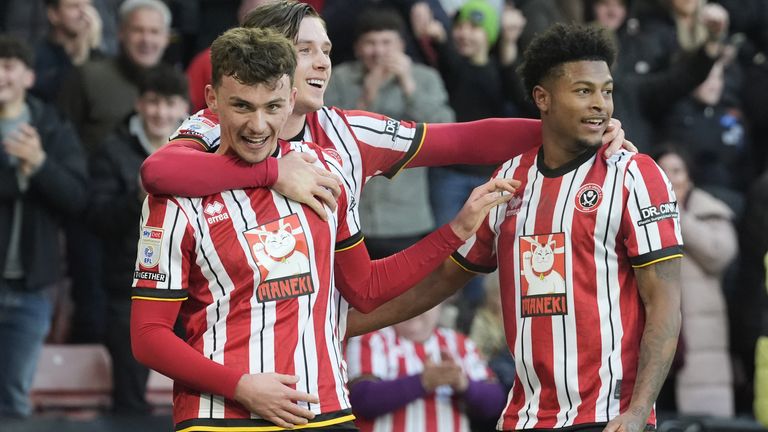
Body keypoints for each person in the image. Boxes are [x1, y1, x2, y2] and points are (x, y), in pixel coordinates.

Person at [130, 26, 516, 431]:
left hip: (326, 410)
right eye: (242, 106)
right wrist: (241, 386)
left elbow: (366, 289)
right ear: (213, 100)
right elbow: (148, 335)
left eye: (273, 107)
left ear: (292, 100)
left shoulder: (324, 171)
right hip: (220, 416)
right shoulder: (176, 196)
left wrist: (454, 231)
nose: (258, 125)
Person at [347, 23, 684, 432]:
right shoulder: (511, 177)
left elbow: (664, 304)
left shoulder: (635, 174)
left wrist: (637, 412)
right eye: (583, 91)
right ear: (542, 98)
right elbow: (441, 279)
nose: (601, 104)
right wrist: (338, 325)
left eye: (607, 91)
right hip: (523, 418)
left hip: (606, 417)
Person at [139, 0, 630, 222]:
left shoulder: (346, 131)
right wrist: (272, 172)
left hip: (316, 364)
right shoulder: (220, 119)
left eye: (327, 50)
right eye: (307, 50)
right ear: (271, 56)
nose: (323, 63)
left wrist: (576, 126)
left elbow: (464, 139)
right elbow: (158, 169)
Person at [57, 0, 171, 343]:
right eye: (138, 30)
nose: (146, 39)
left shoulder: (171, 84)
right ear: (120, 34)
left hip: (149, 224)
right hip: (92, 214)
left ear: (167, 38)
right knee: (93, 316)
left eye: (155, 32)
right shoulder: (89, 76)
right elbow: (63, 135)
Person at [87, 64, 189, 414]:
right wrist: (136, 197)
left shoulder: (205, 150)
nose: (161, 112)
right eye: (153, 101)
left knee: (201, 390)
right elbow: (96, 219)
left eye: (170, 103)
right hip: (129, 289)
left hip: (195, 287)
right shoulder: (112, 149)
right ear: (139, 103)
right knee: (130, 400)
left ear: (184, 107)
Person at [0, 35, 88, 418]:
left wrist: (38, 164)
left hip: (33, 287)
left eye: (7, 65)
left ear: (29, 77)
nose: (0, 74)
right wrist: (15, 172)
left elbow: (76, 197)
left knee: (14, 400)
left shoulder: (52, 127)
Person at [324, 7, 454, 258]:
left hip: (406, 215)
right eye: (370, 43)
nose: (379, 51)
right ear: (358, 47)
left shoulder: (425, 77)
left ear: (402, 45)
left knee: (407, 294)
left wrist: (409, 86)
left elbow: (445, 128)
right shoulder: (339, 78)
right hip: (352, 214)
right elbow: (327, 133)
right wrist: (367, 97)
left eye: (386, 42)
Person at [653, 146, 736, 417]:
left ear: (688, 177)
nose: (670, 177)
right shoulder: (642, 213)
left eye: (677, 171)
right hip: (658, 331)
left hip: (701, 339)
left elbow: (719, 254)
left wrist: (675, 213)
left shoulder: (709, 209)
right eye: (663, 171)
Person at [344, 303, 507, 431]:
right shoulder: (371, 338)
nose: (413, 307)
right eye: (406, 298)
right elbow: (362, 399)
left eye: (423, 301)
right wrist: (423, 382)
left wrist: (463, 384)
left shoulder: (460, 344)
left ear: (441, 303)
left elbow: (495, 403)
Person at [31, 0, 104, 103]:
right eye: (74, 6)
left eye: (89, 5)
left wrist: (92, 48)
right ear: (53, 15)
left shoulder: (101, 57)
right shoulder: (35, 57)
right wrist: (79, 59)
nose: (85, 13)